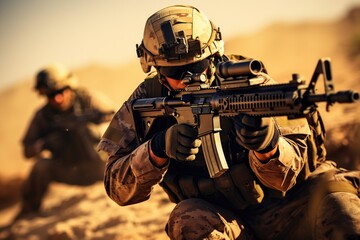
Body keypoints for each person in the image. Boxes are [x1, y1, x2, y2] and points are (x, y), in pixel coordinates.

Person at [98, 5, 360, 240]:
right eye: (176, 72)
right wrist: (155, 151)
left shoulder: (256, 89)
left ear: (212, 55)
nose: (190, 78)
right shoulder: (146, 100)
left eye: (198, 66)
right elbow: (116, 189)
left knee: (341, 207)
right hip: (228, 222)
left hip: (294, 207)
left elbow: (290, 175)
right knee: (187, 220)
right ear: (153, 66)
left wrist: (268, 148)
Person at [17, 63, 115, 219]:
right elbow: (27, 150)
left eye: (60, 91)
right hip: (71, 171)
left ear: (69, 86)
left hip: (105, 167)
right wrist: (44, 143)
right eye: (50, 95)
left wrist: (94, 130)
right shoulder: (43, 116)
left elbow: (120, 123)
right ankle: (28, 212)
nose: (56, 98)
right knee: (41, 166)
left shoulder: (89, 99)